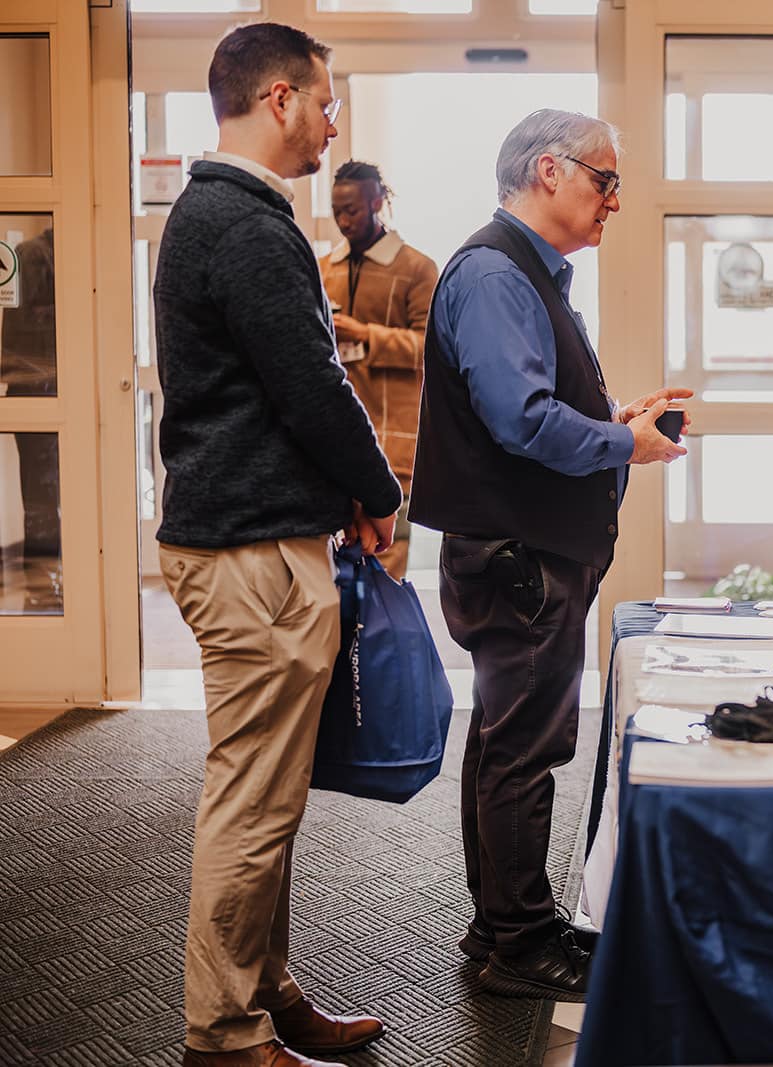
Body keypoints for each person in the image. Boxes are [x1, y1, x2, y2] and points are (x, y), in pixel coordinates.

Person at [153, 23, 399, 1067]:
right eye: (326, 101)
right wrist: (378, 487)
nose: (332, 124)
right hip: (252, 552)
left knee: (268, 795)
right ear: (280, 99)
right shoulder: (247, 224)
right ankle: (225, 1031)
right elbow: (312, 386)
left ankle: (265, 990)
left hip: (252, 536)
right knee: (253, 800)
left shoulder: (216, 216)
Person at [409, 108, 690, 1001]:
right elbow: (521, 421)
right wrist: (627, 446)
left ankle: (505, 924)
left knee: (505, 742)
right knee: (523, 748)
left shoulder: (522, 274)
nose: (616, 198)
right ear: (547, 171)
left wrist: (613, 424)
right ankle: (520, 944)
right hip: (521, 559)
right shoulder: (496, 275)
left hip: (522, 552)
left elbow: (530, 412)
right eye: (606, 179)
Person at [318, 160, 439, 578]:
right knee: (335, 573)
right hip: (336, 443)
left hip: (397, 447)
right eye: (337, 211)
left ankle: (386, 645)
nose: (343, 220)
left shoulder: (417, 269)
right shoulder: (323, 269)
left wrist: (365, 335)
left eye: (352, 210)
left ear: (377, 203)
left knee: (387, 567)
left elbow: (431, 351)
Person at [0, 226, 62, 609]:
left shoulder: (38, 254)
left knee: (46, 496)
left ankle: (48, 589)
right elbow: (24, 326)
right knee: (43, 498)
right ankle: (45, 592)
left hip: (42, 386)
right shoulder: (33, 255)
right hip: (39, 387)